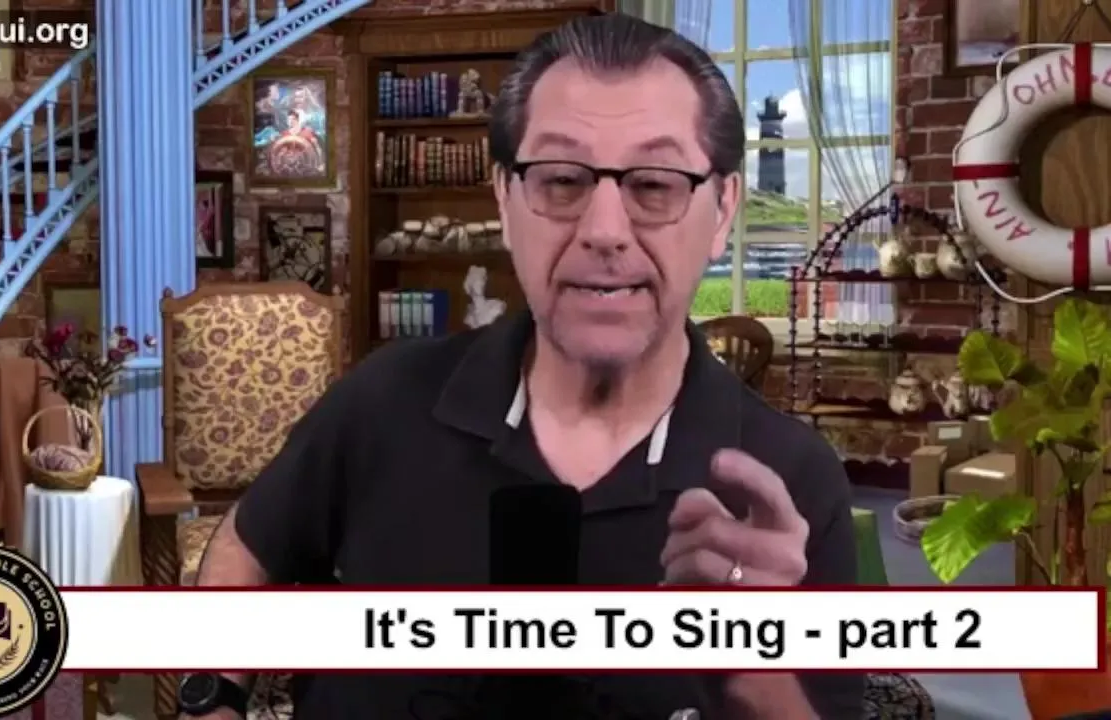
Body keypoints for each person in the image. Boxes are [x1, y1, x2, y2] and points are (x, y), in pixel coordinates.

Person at [178, 13, 859, 720]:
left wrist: (761, 669)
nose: (603, 231)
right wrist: (213, 696)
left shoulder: (793, 483)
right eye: (561, 180)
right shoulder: (380, 401)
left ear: (721, 210)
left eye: (654, 185)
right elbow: (248, 545)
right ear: (505, 200)